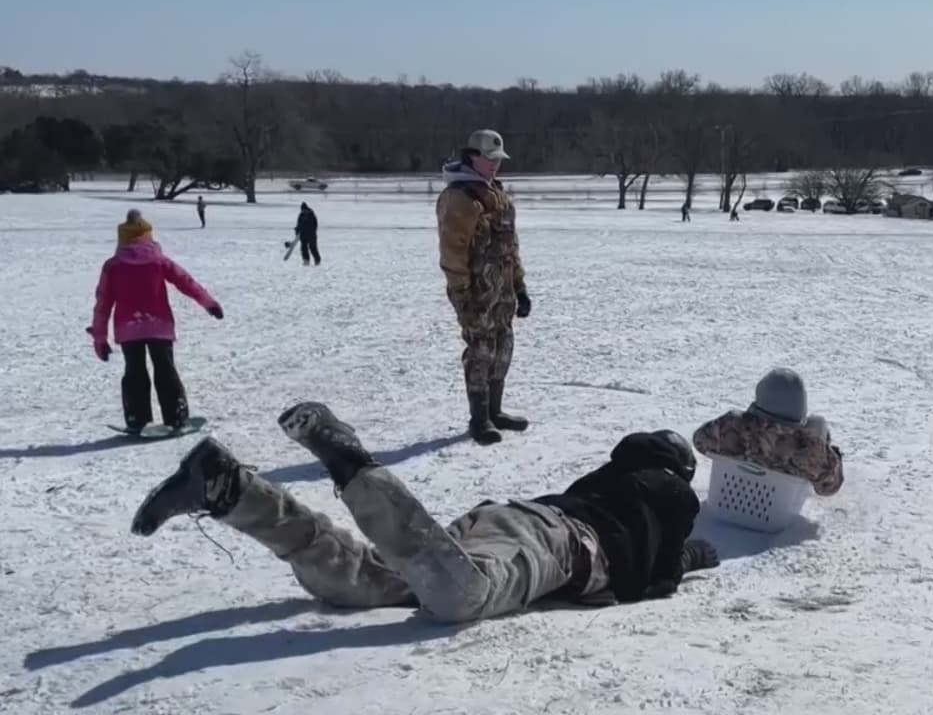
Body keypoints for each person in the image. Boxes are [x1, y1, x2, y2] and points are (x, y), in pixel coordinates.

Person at [129, 402, 720, 621]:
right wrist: (694, 554)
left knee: (372, 581)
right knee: (463, 596)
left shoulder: (609, 476)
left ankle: (231, 490)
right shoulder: (671, 490)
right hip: (558, 542)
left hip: (510, 519)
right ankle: (354, 466)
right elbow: (662, 571)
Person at [89, 209, 224, 433]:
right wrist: (209, 303)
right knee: (165, 369)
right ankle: (176, 416)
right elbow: (186, 282)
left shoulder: (113, 266)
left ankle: (137, 419)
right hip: (159, 325)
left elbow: (102, 303)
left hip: (128, 328)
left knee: (134, 372)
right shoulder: (159, 261)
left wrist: (99, 338)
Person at [436, 129, 532, 445]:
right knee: (480, 351)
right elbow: (453, 252)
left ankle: (495, 411)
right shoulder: (459, 198)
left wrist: (519, 287)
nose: (495, 165)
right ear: (471, 157)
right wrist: (462, 295)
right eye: (489, 159)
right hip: (476, 292)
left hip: (502, 292)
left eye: (498, 160)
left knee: (503, 349)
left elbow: (511, 248)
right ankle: (479, 419)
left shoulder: (497, 195)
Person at [693, 367, 845, 496]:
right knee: (818, 422)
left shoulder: (732, 424)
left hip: (725, 502)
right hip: (778, 516)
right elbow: (828, 488)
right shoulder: (808, 446)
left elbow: (699, 441)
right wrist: (832, 454)